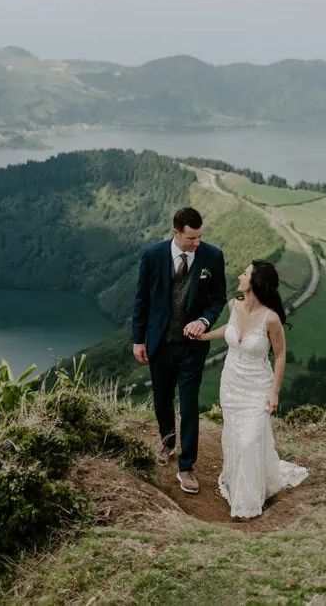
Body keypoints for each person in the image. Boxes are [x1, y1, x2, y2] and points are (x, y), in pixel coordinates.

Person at [196, 259, 309, 519]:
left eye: (245, 273)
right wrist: (204, 336)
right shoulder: (233, 305)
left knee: (249, 441)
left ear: (255, 282)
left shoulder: (271, 319)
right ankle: (238, 483)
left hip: (258, 387)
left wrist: (274, 393)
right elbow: (231, 329)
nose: (239, 276)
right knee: (236, 437)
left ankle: (246, 504)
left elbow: (280, 356)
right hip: (231, 384)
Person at [132, 207, 228, 494]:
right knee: (162, 400)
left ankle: (187, 466)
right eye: (191, 238)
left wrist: (204, 320)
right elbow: (142, 300)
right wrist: (138, 339)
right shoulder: (152, 255)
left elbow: (218, 299)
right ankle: (167, 443)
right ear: (176, 232)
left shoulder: (213, 256)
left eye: (200, 237)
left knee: (188, 404)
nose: (196, 243)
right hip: (159, 343)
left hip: (192, 348)